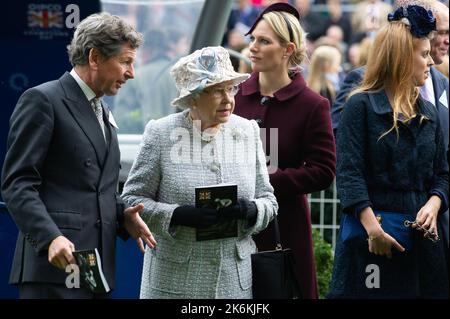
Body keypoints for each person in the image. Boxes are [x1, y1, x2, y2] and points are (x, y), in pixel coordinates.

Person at [1, 13, 156, 299]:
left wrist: (122, 215)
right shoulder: (42, 100)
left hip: (94, 271)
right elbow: (17, 184)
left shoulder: (103, 110)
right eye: (125, 62)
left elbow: (92, 186)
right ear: (95, 57)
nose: (132, 73)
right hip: (53, 270)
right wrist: (50, 237)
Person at [121, 46, 278, 299]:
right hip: (173, 283)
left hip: (234, 284)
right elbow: (132, 200)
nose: (228, 99)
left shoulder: (248, 131)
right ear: (192, 97)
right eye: (217, 90)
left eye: (231, 89)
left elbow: (269, 200)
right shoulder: (161, 134)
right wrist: (178, 215)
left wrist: (251, 211)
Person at [328, 5, 448, 298]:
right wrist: (372, 229)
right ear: (402, 59)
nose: (430, 61)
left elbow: (443, 174)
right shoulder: (361, 106)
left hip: (422, 244)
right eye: (423, 54)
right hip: (371, 239)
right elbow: (349, 174)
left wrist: (434, 204)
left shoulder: (429, 112)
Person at [234, 3, 336, 299]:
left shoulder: (313, 104)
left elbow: (323, 171)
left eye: (264, 41)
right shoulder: (233, 97)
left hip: (284, 229)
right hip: (234, 229)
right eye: (252, 38)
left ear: (287, 49)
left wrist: (265, 183)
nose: (252, 47)